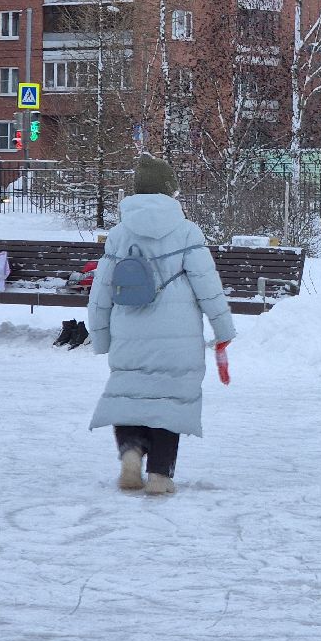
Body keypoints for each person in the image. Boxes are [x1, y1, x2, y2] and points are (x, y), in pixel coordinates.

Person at [87, 154, 236, 495]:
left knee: (129, 395)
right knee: (171, 403)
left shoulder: (119, 234)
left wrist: (100, 336)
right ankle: (159, 475)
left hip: (129, 332)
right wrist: (223, 329)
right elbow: (208, 286)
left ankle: (131, 453)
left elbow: (102, 289)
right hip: (177, 337)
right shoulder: (186, 232)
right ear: (170, 191)